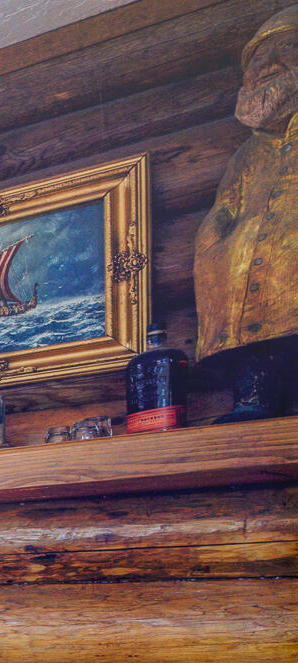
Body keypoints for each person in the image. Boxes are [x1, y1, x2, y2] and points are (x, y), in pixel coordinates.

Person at [194, 5, 298, 412]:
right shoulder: (248, 154)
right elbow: (228, 202)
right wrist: (212, 241)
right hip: (244, 305)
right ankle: (255, 395)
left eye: (285, 50)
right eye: (256, 61)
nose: (266, 66)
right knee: (256, 378)